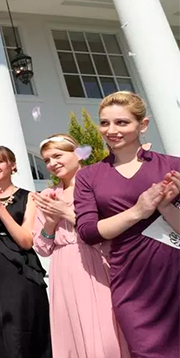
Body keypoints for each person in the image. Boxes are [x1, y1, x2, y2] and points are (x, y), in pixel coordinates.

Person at [73, 91, 180, 358]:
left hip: (174, 270)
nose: (111, 130)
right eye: (105, 123)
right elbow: (88, 232)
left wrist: (166, 207)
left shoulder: (173, 166)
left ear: (143, 125)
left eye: (121, 122)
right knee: (146, 350)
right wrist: (138, 211)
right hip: (130, 280)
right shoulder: (89, 176)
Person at [32, 133, 129, 358]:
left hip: (96, 264)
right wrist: (50, 222)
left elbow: (109, 232)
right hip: (62, 268)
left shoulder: (98, 187)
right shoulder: (48, 195)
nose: (52, 163)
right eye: (47, 160)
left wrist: (66, 213)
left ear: (77, 154)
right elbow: (42, 248)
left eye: (58, 156)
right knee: (71, 331)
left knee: (102, 330)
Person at [0, 146, 51, 358]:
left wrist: (0, 208)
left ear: (12, 165)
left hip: (17, 268)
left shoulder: (29, 197)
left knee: (18, 324)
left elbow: (26, 240)